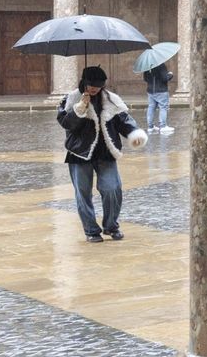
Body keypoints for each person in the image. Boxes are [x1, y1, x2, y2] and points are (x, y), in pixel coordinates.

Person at [59, 65, 147, 243]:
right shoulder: (70, 99)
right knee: (83, 193)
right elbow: (66, 124)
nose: (94, 89)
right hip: (79, 152)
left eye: (98, 86)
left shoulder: (112, 100)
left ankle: (111, 225)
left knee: (112, 188)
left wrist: (134, 134)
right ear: (84, 82)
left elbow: (124, 121)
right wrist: (80, 108)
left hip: (106, 151)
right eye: (91, 85)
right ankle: (91, 230)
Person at [142, 59, 174, 135]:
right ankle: (163, 126)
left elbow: (145, 78)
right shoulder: (161, 64)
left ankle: (150, 127)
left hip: (150, 91)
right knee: (163, 107)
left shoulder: (147, 66)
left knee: (151, 107)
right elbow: (164, 78)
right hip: (161, 90)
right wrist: (170, 74)